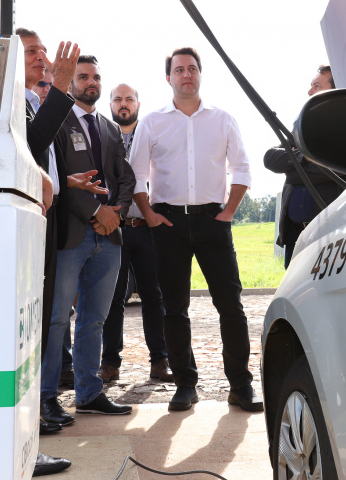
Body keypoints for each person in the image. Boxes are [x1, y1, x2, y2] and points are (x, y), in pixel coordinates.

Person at [128, 47, 263, 412]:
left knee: (231, 306)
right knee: (174, 309)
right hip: (168, 223)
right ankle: (186, 384)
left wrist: (229, 212)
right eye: (179, 69)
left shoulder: (223, 119)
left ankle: (241, 386)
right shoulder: (152, 122)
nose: (186, 74)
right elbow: (136, 174)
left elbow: (242, 168)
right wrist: (149, 214)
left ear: (200, 74)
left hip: (213, 222)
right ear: (168, 77)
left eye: (192, 68)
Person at [40, 55, 136, 426]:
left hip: (109, 238)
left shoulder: (110, 128)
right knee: (56, 320)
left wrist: (116, 214)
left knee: (94, 319)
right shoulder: (57, 121)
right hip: (71, 235)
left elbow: (125, 178)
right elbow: (58, 177)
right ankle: (46, 398)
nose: (90, 82)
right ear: (70, 82)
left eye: (95, 77)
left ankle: (89, 393)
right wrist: (97, 212)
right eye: (83, 77)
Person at [18, 28, 79, 477]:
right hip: (23, 224)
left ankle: (30, 426)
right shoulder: (13, 103)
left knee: (36, 325)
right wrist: (60, 86)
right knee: (26, 330)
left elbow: (43, 161)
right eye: (31, 51)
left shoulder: (33, 102)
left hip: (46, 220)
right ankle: (21, 438)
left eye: (43, 49)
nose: (42, 56)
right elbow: (32, 144)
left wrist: (62, 183)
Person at [99, 84, 172, 384]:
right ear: (111, 105)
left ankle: (160, 360)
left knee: (154, 296)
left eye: (129, 99)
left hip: (146, 228)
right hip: (113, 229)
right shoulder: (101, 135)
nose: (123, 104)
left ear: (138, 104)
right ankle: (110, 363)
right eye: (118, 99)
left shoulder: (153, 134)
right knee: (113, 298)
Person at [264, 65, 346, 268]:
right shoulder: (300, 129)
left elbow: (332, 170)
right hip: (294, 235)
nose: (309, 91)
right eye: (311, 85)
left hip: (327, 236)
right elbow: (270, 158)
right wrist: (305, 157)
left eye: (317, 86)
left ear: (335, 91)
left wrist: (291, 169)